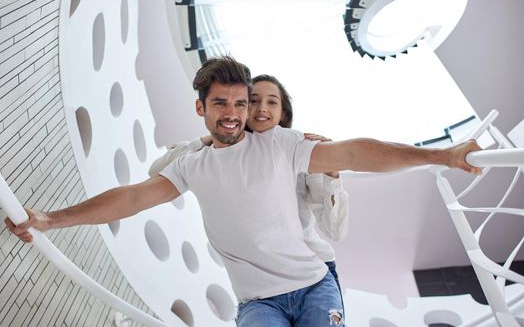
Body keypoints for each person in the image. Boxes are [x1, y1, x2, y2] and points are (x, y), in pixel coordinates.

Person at [5, 56, 482, 327]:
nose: (233, 112)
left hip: (316, 285)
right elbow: (131, 198)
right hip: (258, 304)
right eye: (221, 104)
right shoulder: (191, 164)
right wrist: (48, 219)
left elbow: (357, 153)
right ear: (201, 107)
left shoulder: (282, 144)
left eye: (241, 102)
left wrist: (443, 156)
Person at [148, 73, 350, 305]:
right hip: (262, 287)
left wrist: (331, 170)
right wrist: (211, 137)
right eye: (253, 101)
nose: (262, 108)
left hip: (313, 272)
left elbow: (335, 231)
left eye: (272, 101)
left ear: (283, 113)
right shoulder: (215, 155)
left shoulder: (298, 151)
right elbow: (157, 171)